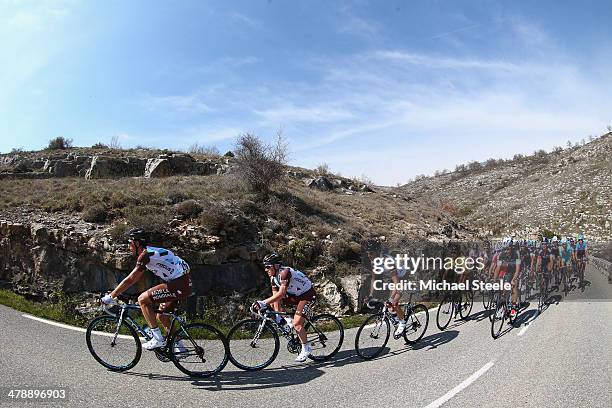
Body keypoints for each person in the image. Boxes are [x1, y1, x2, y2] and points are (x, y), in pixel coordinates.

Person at [101, 228, 193, 351]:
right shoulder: (151, 252)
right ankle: (179, 347)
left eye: (130, 243)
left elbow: (131, 279)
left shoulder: (145, 256)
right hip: (182, 283)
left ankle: (157, 339)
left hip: (178, 284)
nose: (129, 246)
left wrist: (111, 296)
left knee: (142, 299)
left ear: (137, 243)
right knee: (162, 316)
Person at [256, 253, 317, 363]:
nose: (265, 270)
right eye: (265, 267)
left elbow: (282, 293)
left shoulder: (285, 273)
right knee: (276, 309)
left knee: (297, 324)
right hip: (295, 296)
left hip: (307, 295)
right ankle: (289, 321)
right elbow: (276, 298)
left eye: (268, 267)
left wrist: (263, 302)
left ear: (276, 266)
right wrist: (278, 315)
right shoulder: (273, 278)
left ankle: (306, 347)